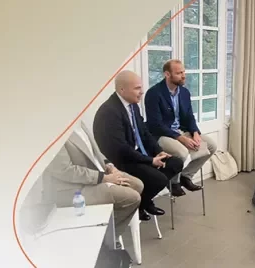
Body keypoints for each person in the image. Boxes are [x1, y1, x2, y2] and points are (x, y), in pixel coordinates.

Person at [93, 70, 185, 221]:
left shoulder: (132, 105)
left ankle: (143, 200)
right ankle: (139, 205)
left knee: (175, 163)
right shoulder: (109, 112)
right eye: (137, 88)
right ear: (122, 90)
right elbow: (121, 149)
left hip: (137, 154)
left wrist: (159, 152)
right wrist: (150, 161)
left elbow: (145, 133)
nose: (142, 92)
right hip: (122, 161)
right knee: (158, 179)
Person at [41, 120, 143, 241]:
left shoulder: (79, 123)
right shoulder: (53, 132)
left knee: (137, 185)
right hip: (72, 189)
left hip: (95, 175)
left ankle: (108, 232)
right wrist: (103, 178)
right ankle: (105, 240)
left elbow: (95, 153)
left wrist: (110, 166)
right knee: (132, 197)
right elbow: (65, 171)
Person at [144, 59, 209, 196]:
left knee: (211, 145)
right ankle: (173, 183)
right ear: (167, 74)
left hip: (181, 130)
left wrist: (195, 132)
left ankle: (186, 176)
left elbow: (189, 116)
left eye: (183, 71)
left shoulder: (184, 92)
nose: (184, 75)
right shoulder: (153, 93)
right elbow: (156, 124)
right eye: (179, 73)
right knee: (181, 152)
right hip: (161, 134)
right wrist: (180, 138)